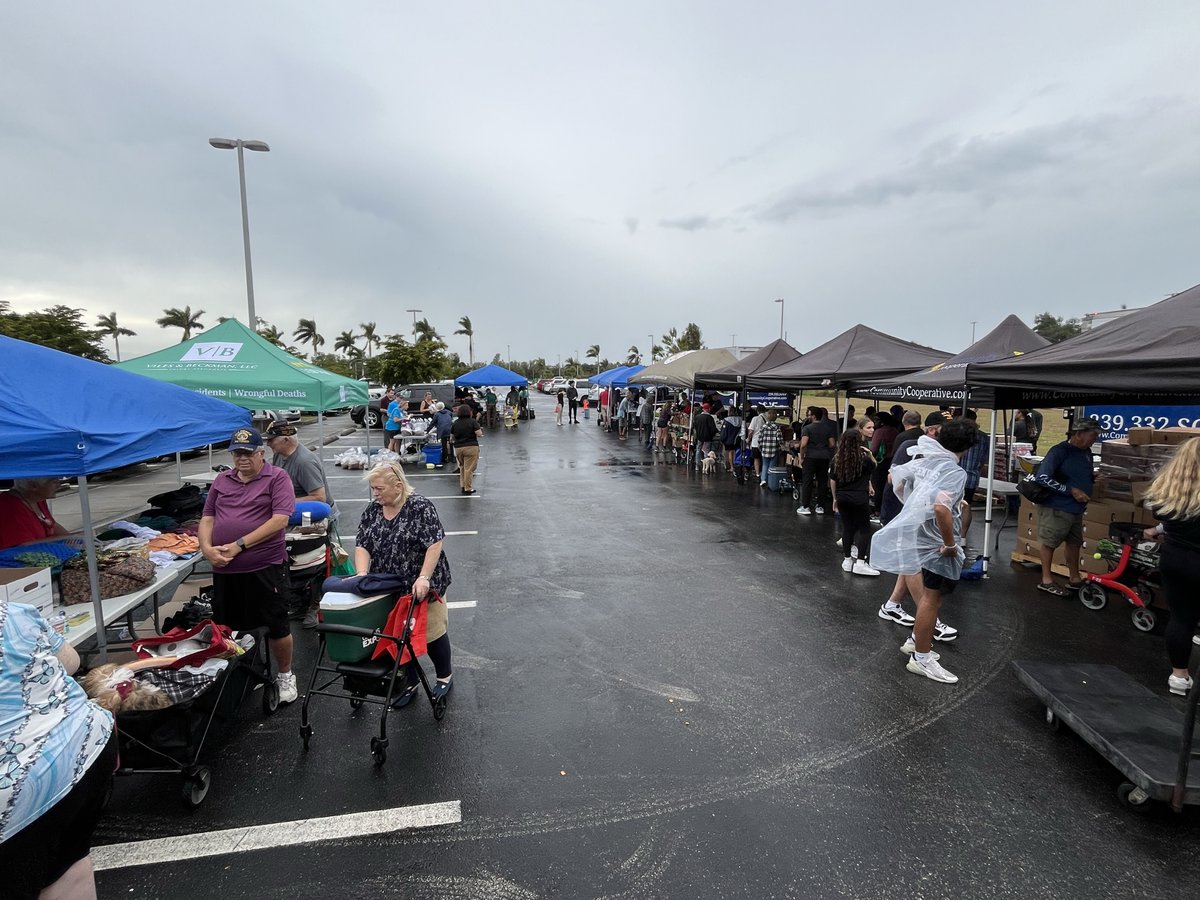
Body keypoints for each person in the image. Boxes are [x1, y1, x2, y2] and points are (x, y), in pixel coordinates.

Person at [0, 601, 118, 900]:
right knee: (66, 864)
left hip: (17, 785)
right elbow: (71, 661)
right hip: (83, 743)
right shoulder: (11, 610)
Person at [871, 418, 979, 684]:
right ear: (968, 446)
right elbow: (941, 508)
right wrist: (951, 544)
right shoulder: (954, 471)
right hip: (937, 544)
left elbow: (895, 479)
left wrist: (913, 506)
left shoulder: (928, 460)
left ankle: (916, 641)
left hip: (920, 535)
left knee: (929, 597)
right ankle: (921, 658)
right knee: (931, 600)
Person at [199, 426, 299, 703]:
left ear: (261, 453)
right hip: (226, 569)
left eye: (247, 453)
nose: (241, 459)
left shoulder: (277, 478)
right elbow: (207, 517)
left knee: (276, 624)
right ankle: (244, 672)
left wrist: (239, 544)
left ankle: (286, 676)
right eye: (236, 453)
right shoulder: (222, 480)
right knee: (228, 627)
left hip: (264, 566)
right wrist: (207, 549)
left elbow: (280, 520)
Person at [356, 462, 453, 706]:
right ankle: (410, 682)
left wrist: (424, 577)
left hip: (421, 585)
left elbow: (434, 543)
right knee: (399, 637)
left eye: (378, 488)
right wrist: (361, 574)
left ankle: (445, 677)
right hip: (388, 586)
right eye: (372, 488)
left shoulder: (420, 507)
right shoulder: (373, 510)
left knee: (431, 633)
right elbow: (363, 544)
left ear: (398, 486)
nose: (375, 493)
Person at [877, 413, 948, 628]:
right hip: (905, 513)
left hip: (919, 515)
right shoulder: (912, 445)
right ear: (933, 430)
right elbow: (893, 478)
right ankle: (930, 622)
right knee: (911, 564)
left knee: (910, 562)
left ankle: (892, 604)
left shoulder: (940, 453)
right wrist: (910, 502)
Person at [1142, 438, 1200, 695]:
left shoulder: (1170, 489)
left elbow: (1163, 514)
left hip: (1175, 558)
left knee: (1180, 618)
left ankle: (1178, 676)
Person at [1032, 417, 1100, 596]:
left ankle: (1074, 578)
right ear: (1079, 434)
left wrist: (1092, 479)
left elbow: (1078, 473)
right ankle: (1046, 580)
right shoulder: (1059, 451)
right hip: (1056, 507)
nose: (1095, 439)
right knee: (1049, 542)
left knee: (1074, 543)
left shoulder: (1087, 452)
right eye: (1093, 435)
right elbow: (1042, 477)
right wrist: (1071, 491)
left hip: (1076, 508)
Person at [829, 428, 880, 576]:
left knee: (847, 528)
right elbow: (874, 467)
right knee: (864, 530)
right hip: (859, 498)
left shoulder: (837, 460)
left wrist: (834, 498)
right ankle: (860, 562)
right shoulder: (863, 459)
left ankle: (847, 560)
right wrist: (870, 454)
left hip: (842, 497)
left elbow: (833, 480)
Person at [0, 477, 70, 550]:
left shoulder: (38, 499)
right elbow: (23, 546)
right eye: (53, 481)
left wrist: (74, 538)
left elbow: (52, 524)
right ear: (33, 486)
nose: (59, 485)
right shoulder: (9, 507)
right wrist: (65, 539)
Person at [798, 406, 837, 516]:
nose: (808, 416)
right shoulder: (827, 428)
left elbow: (803, 444)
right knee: (822, 482)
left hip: (810, 457)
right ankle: (820, 506)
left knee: (808, 481)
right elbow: (832, 444)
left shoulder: (807, 428)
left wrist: (801, 457)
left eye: (809, 414)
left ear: (814, 416)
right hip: (824, 457)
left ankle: (805, 506)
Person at [449, 404, 483, 494]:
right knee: (469, 468)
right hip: (471, 447)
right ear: (469, 412)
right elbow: (479, 433)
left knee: (462, 467)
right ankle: (468, 488)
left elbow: (451, 437)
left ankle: (463, 485)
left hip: (459, 448)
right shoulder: (472, 422)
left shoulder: (455, 423)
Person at [756, 410, 783, 488]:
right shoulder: (777, 427)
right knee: (772, 466)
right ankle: (770, 480)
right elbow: (779, 438)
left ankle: (763, 480)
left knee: (764, 465)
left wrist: (760, 446)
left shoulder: (763, 427)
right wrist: (781, 445)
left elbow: (760, 438)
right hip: (774, 449)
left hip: (764, 449)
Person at [426, 401, 453, 468]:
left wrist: (427, 430)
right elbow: (451, 419)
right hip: (450, 429)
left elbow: (432, 423)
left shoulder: (437, 414)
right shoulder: (449, 412)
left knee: (443, 444)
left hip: (442, 430)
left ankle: (445, 457)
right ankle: (452, 457)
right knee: (451, 443)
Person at [693, 402, 718, 467]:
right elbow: (713, 429)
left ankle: (697, 463)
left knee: (698, 449)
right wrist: (713, 435)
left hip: (699, 436)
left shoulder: (697, 417)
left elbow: (695, 426)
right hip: (708, 437)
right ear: (708, 409)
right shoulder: (709, 418)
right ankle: (707, 465)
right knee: (706, 450)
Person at [747, 405, 767, 482]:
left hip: (756, 442)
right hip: (766, 442)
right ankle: (764, 475)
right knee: (764, 459)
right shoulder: (768, 418)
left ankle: (758, 474)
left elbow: (751, 431)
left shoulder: (755, 418)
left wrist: (748, 439)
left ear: (757, 411)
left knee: (756, 458)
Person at [720, 407, 743, 473]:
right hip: (738, 440)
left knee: (730, 453)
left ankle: (732, 467)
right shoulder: (741, 420)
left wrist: (722, 440)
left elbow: (724, 432)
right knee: (737, 452)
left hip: (729, 441)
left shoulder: (726, 420)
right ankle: (737, 465)